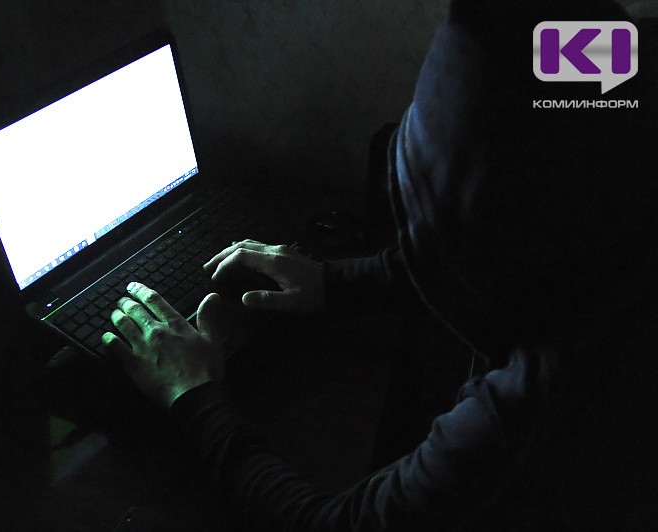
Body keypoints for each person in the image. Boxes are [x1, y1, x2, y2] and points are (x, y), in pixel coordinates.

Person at [102, 0, 658, 529]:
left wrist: (194, 393)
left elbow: (324, 524)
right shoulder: (629, 97)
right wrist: (335, 282)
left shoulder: (536, 411)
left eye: (427, 226)